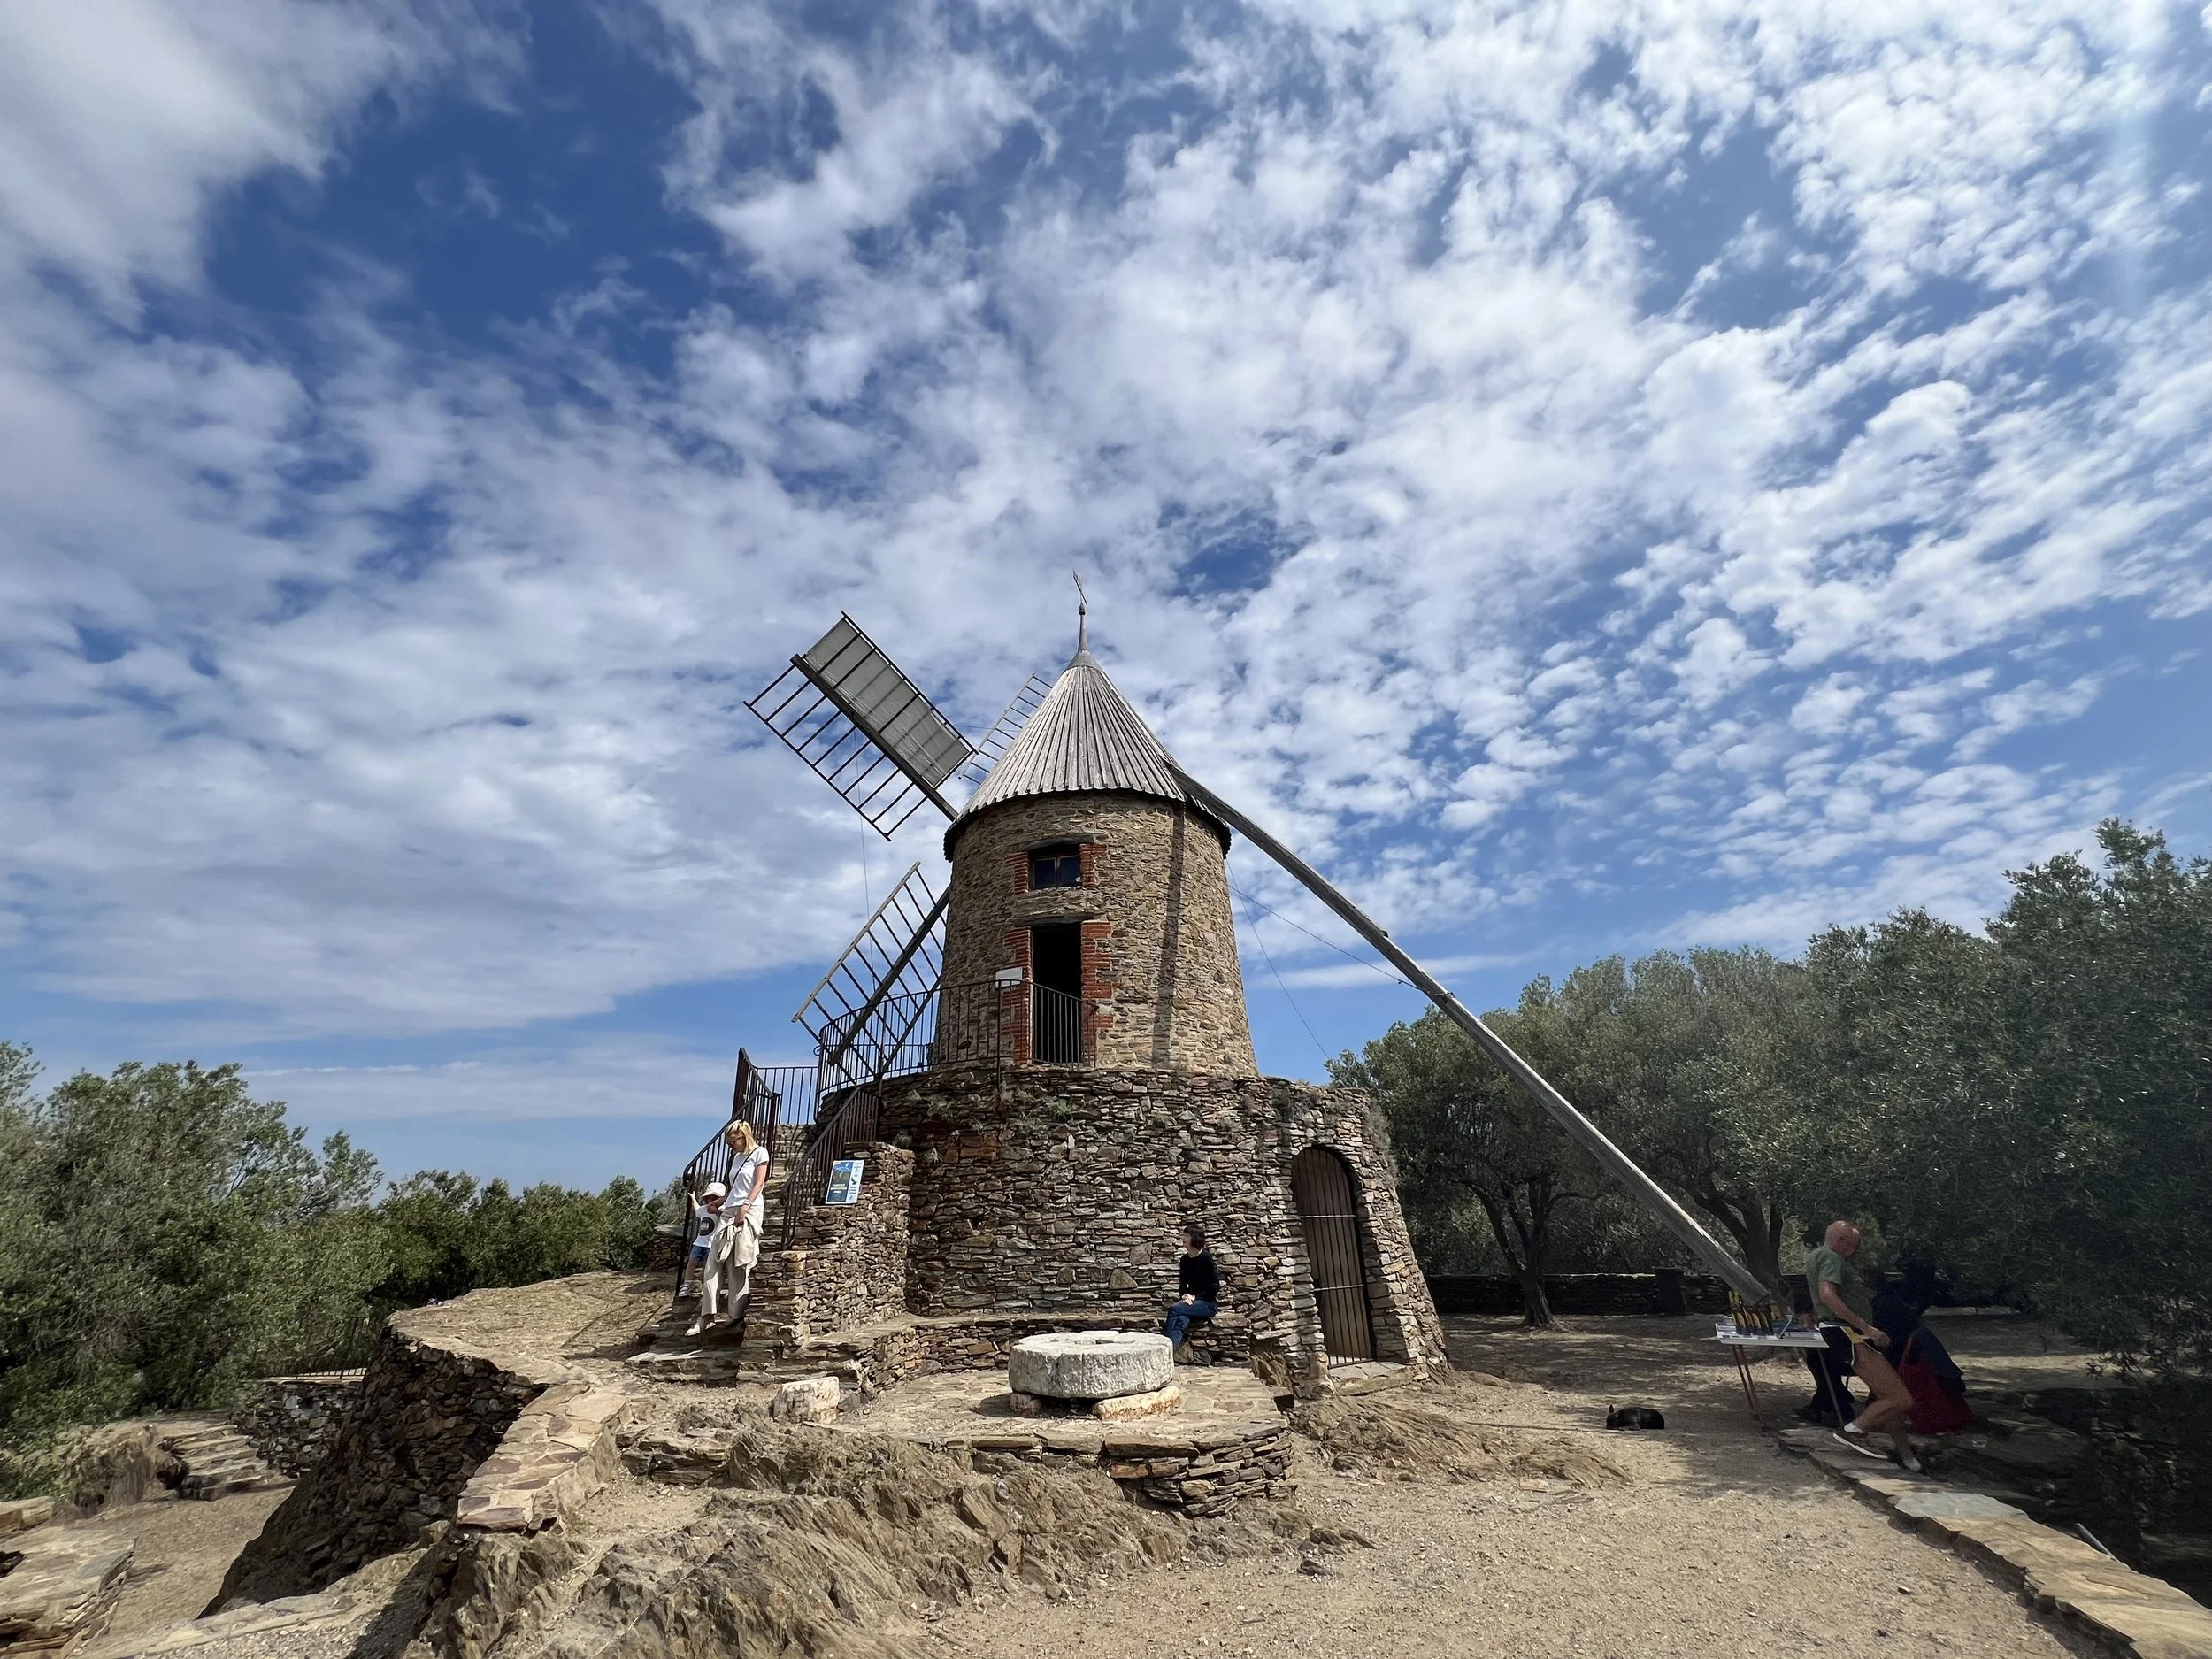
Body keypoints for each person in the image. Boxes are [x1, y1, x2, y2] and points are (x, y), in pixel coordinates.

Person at [1808, 1220, 1922, 1472]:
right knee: (1900, 1398)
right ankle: (1853, 1430)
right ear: (1841, 1240)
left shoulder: (1817, 1256)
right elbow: (1827, 1294)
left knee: (1887, 1396)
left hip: (1843, 1332)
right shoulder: (1831, 1257)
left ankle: (1907, 1457)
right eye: (1855, 1245)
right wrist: (1867, 1328)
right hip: (1848, 1333)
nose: (1857, 1250)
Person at [694, 1121, 771, 1337]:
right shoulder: (736, 1158)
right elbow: (736, 1187)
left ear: (744, 1136)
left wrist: (745, 1207)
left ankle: (735, 1313)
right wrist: (720, 1201)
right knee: (713, 1261)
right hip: (730, 1209)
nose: (730, 1146)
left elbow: (758, 1183)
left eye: (733, 1141)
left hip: (749, 1209)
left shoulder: (759, 1153)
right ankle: (706, 1315)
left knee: (738, 1263)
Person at [1163, 1224, 1219, 1358]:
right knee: (1181, 1320)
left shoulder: (1206, 1258)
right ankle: (1169, 1355)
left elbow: (1214, 1287)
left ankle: (1163, 1348)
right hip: (1190, 1303)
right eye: (1184, 1235)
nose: (1183, 1238)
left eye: (1187, 1236)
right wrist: (1184, 1296)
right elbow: (1183, 1286)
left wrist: (1195, 1297)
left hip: (1207, 1303)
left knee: (1174, 1309)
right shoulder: (1184, 1260)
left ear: (1195, 1238)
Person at [678, 1180, 726, 1302]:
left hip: (711, 1243)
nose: (710, 1201)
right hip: (699, 1242)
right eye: (708, 1198)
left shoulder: (722, 1210)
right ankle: (687, 1284)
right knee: (692, 1262)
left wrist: (716, 1211)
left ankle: (706, 1287)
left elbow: (726, 1217)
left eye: (714, 1198)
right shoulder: (704, 1209)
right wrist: (693, 1198)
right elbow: (697, 1209)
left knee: (708, 1266)